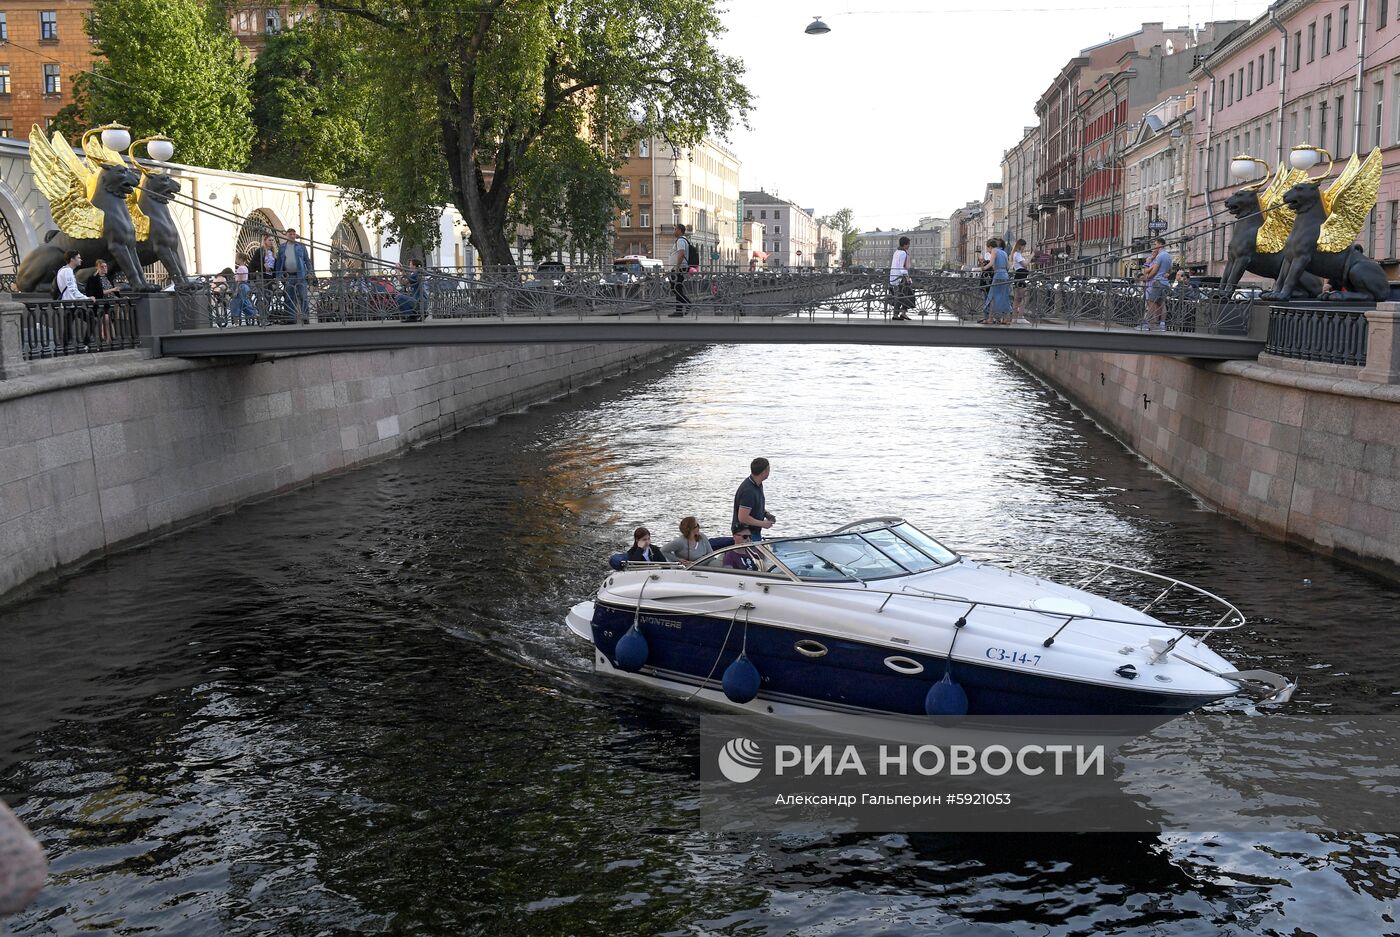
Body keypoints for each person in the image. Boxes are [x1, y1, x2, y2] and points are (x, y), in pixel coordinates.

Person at [274, 227, 312, 325]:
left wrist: (310, 273)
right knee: (289, 297)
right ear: (286, 235)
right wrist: (278, 277)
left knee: (303, 296)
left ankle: (305, 317)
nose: (292, 236)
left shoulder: (301, 246)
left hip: (301, 275)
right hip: (288, 276)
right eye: (290, 234)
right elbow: (279, 262)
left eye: (294, 234)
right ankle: (291, 318)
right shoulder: (282, 247)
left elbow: (307, 260)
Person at [732, 457, 775, 541]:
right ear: (764, 472)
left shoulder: (758, 485)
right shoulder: (748, 490)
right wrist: (763, 524)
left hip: (754, 532)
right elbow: (742, 518)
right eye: (768, 469)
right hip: (746, 535)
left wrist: (765, 513)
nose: (769, 472)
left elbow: (754, 505)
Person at [83, 258, 120, 343]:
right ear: (97, 267)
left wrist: (117, 293)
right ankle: (108, 340)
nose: (104, 268)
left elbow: (114, 291)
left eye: (105, 266)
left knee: (109, 321)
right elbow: (97, 293)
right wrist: (112, 290)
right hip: (100, 304)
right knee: (106, 319)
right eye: (102, 267)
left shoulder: (108, 278)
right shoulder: (93, 279)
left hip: (111, 303)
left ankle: (109, 340)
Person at [1140, 237, 1172, 331]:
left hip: (1158, 282)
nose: (1155, 246)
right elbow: (1169, 270)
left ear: (1160, 244)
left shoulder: (1160, 256)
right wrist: (1166, 274)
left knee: (1151, 301)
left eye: (1155, 244)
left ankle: (1149, 323)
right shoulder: (1169, 256)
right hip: (1165, 283)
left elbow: (1154, 271)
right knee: (1161, 303)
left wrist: (1148, 277)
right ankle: (1161, 324)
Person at [981, 239, 1012, 324]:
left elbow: (991, 263)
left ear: (990, 246)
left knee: (992, 297)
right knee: (1004, 297)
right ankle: (1005, 319)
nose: (988, 251)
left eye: (987, 249)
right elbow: (1008, 266)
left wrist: (983, 268)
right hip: (1005, 275)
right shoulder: (1004, 252)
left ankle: (990, 318)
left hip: (998, 275)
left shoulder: (994, 251)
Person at [888, 235, 913, 321]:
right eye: (908, 244)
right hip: (900, 278)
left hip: (894, 277)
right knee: (903, 296)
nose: (909, 246)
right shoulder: (903, 253)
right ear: (905, 245)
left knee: (903, 295)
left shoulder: (896, 252)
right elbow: (902, 268)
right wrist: (907, 278)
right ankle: (898, 314)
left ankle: (902, 313)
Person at [668, 223, 690, 317]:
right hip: (679, 267)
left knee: (675, 288)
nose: (674, 231)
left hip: (679, 268)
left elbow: (681, 254)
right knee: (677, 288)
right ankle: (679, 310)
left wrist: (677, 267)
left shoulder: (681, 241)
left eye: (675, 229)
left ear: (680, 230)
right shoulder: (681, 240)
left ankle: (687, 304)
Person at [1011, 239, 1030, 319]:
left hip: (1019, 276)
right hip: (1021, 276)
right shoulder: (1017, 254)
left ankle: (1015, 317)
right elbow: (1025, 264)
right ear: (1021, 246)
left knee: (1017, 298)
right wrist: (1031, 256)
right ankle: (1020, 317)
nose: (1024, 248)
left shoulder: (1016, 254)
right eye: (1024, 246)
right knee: (1022, 297)